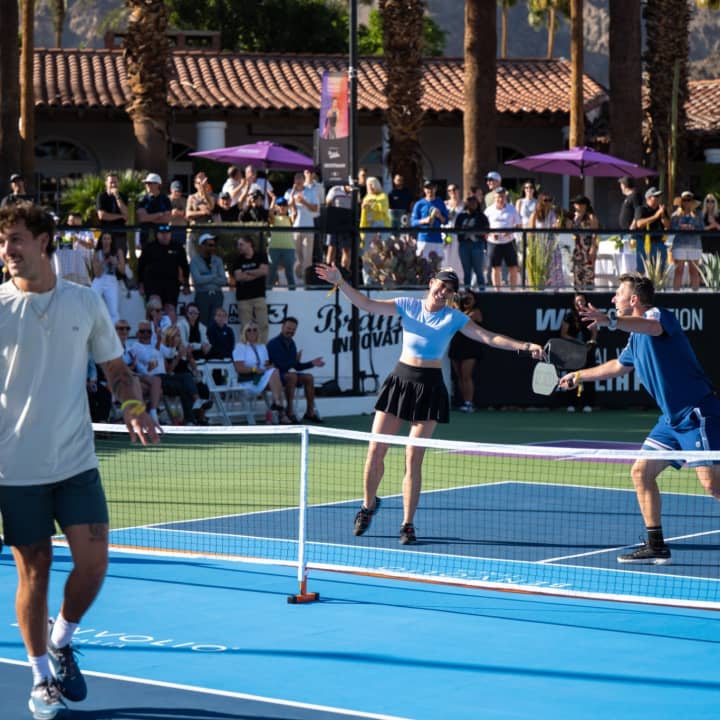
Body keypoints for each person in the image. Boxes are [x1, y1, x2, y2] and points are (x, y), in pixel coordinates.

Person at [0, 202, 159, 719]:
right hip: (15, 469)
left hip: (75, 463)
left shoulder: (85, 302)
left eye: (16, 239)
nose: (7, 250)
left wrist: (132, 406)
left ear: (44, 241)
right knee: (35, 572)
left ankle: (61, 638)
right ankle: (40, 678)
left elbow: (115, 369)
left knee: (94, 565)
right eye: (3, 242)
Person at [315, 263, 542, 545]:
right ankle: (367, 506)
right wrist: (340, 281)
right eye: (442, 285)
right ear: (431, 282)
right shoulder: (408, 305)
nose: (444, 291)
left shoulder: (454, 318)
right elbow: (366, 304)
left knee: (413, 457)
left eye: (450, 289)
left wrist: (524, 346)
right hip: (399, 382)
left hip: (430, 388)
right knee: (375, 450)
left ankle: (407, 524)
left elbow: (488, 337)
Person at [558, 273, 720, 564]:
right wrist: (579, 376)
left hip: (697, 413)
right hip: (670, 421)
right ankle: (656, 545)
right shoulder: (635, 339)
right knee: (641, 473)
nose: (613, 299)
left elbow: (651, 326)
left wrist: (609, 320)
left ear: (633, 299)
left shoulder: (658, 316)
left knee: (712, 485)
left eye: (618, 294)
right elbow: (617, 367)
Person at [267, 316, 325, 423]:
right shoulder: (273, 343)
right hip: (275, 377)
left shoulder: (292, 343)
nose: (291, 331)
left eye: (293, 329)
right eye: (289, 328)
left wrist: (312, 363)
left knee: (309, 377)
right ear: (282, 327)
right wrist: (295, 361)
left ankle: (310, 413)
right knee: (292, 376)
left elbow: (296, 366)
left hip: (288, 375)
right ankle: (289, 412)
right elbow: (280, 365)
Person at [232, 322, 292, 424]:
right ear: (245, 333)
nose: (252, 332)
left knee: (275, 371)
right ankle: (279, 410)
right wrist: (254, 370)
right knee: (276, 378)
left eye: (255, 330)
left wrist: (269, 366)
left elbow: (265, 364)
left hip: (260, 378)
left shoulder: (262, 347)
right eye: (249, 330)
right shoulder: (240, 347)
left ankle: (277, 405)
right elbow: (239, 368)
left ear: (258, 332)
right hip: (248, 380)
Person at [560, 293, 598, 413]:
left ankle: (588, 404)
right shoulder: (569, 316)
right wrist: (576, 342)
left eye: (582, 300)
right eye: (578, 301)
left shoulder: (590, 315)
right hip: (573, 351)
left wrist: (591, 342)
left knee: (589, 376)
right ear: (574, 302)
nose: (580, 303)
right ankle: (571, 404)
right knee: (572, 376)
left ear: (585, 301)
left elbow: (594, 332)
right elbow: (563, 334)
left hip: (587, 351)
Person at [449, 291, 484, 412]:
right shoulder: (456, 312)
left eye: (470, 299)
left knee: (466, 376)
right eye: (465, 299)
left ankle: (469, 403)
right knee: (459, 376)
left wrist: (456, 307)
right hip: (456, 347)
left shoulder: (476, 312)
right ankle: (465, 402)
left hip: (470, 349)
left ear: (474, 300)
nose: (467, 301)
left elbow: (461, 321)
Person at [189, 233, 226, 327]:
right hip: (202, 295)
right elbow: (198, 280)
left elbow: (223, 280)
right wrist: (214, 276)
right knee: (202, 324)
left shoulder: (218, 260)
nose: (213, 247)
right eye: (210, 245)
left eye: (214, 245)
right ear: (202, 246)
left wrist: (205, 277)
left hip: (217, 295)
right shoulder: (195, 261)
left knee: (216, 324)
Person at [670, 191, 704, 291]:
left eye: (689, 200)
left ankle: (695, 295)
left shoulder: (698, 214)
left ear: (692, 201)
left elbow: (702, 228)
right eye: (684, 200)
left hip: (695, 245)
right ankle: (676, 295)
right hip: (679, 244)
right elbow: (672, 228)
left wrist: (693, 228)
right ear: (681, 201)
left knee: (694, 270)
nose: (687, 202)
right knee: (679, 270)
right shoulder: (676, 214)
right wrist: (681, 227)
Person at [631, 186, 670, 274]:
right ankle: (640, 283)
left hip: (659, 242)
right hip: (643, 242)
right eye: (655, 196)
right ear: (648, 198)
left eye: (659, 196)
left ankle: (658, 283)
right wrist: (656, 216)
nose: (658, 198)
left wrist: (662, 215)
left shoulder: (661, 210)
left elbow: (668, 226)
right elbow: (639, 224)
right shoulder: (641, 209)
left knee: (660, 270)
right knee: (641, 270)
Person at [454, 195, 489, 291]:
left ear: (477, 204)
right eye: (470, 202)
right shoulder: (461, 216)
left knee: (479, 271)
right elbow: (456, 230)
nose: (472, 204)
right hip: (464, 245)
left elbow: (486, 230)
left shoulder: (481, 216)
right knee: (467, 271)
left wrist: (474, 232)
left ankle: (482, 291)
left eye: (474, 202)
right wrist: (464, 231)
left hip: (477, 245)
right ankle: (467, 292)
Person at [90, 231, 126, 324]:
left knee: (113, 310)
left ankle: (115, 329)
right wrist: (103, 262)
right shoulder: (97, 253)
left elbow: (122, 270)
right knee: (91, 301)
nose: (106, 241)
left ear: (111, 240)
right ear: (101, 240)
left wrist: (115, 262)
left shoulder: (118, 252)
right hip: (100, 279)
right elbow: (97, 274)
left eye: (108, 239)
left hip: (111, 279)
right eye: (104, 239)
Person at [566, 195, 599, 291]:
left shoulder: (590, 217)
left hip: (587, 247)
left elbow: (595, 233)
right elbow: (570, 231)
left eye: (577, 204)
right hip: (577, 248)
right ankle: (578, 293)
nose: (574, 205)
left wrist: (593, 247)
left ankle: (589, 292)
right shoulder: (574, 217)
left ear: (583, 205)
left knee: (588, 273)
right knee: (577, 273)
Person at [411, 180, 448, 261]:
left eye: (432, 188)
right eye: (427, 188)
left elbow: (446, 221)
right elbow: (413, 222)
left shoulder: (440, 203)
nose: (430, 190)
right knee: (422, 264)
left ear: (435, 189)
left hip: (437, 239)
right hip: (423, 239)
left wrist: (439, 216)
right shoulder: (419, 204)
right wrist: (424, 221)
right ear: (424, 190)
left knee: (438, 265)